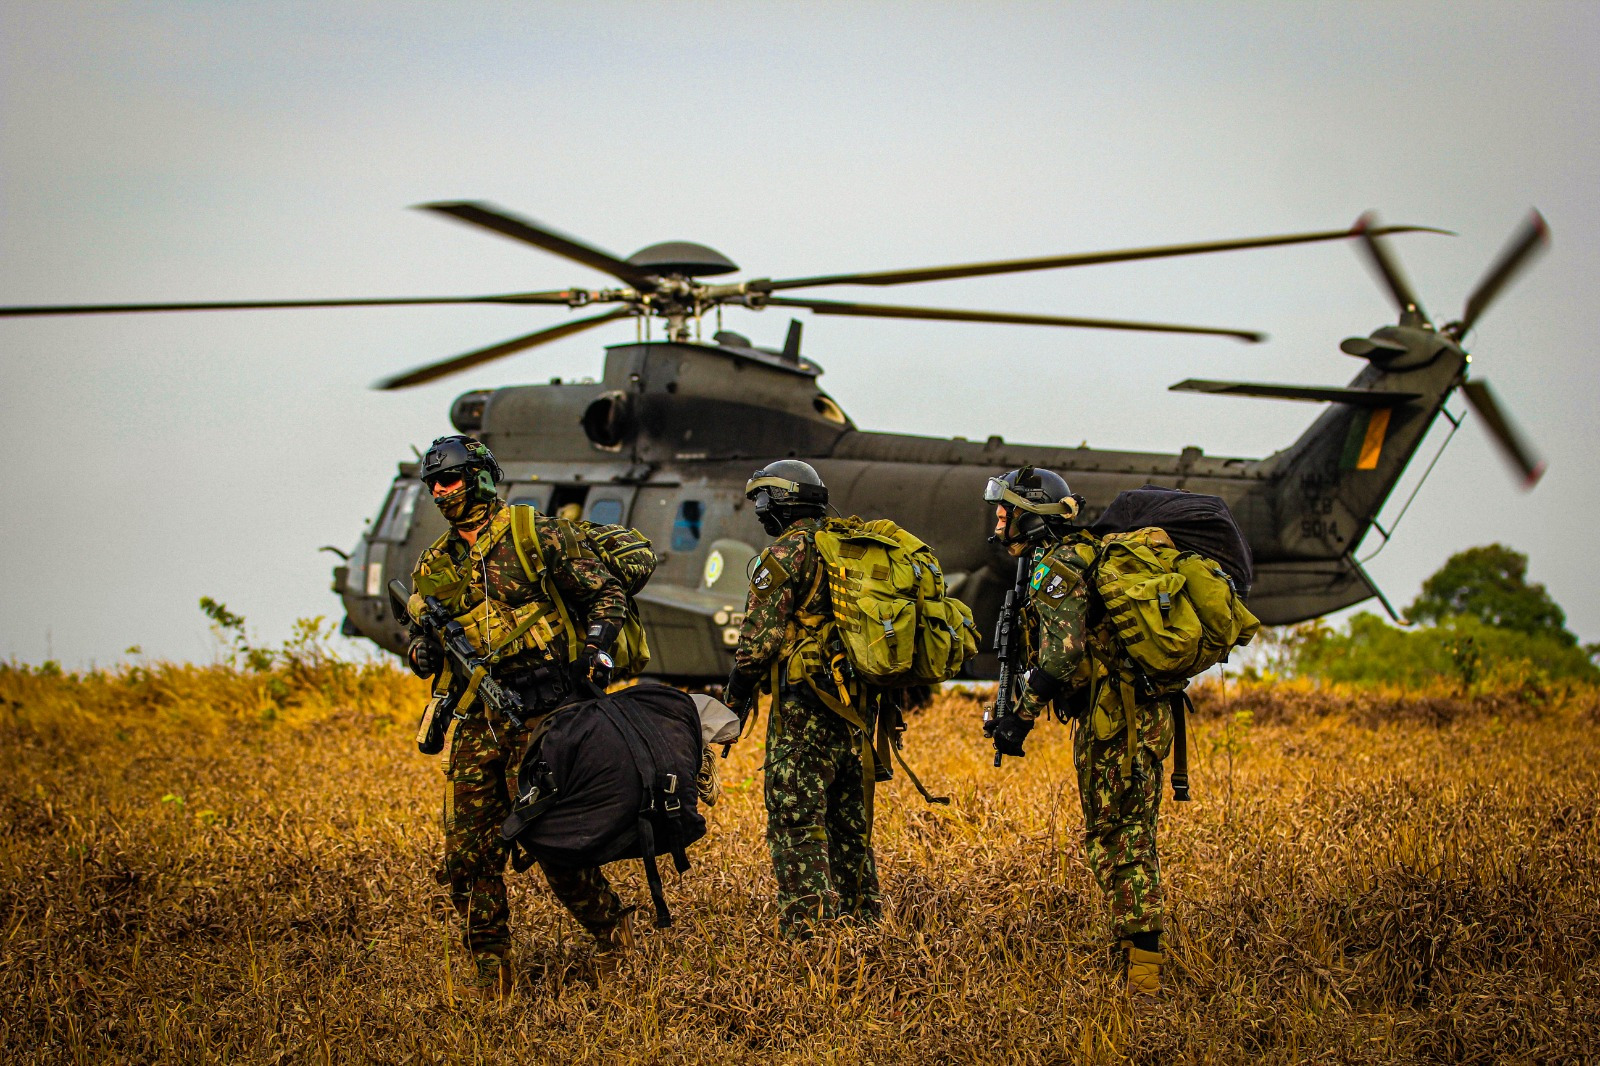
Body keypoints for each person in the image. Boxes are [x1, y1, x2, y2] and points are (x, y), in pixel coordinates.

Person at [405, 434, 635, 1000]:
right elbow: (415, 644)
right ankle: (492, 967)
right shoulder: (433, 566)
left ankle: (612, 931)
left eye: (451, 478)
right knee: (467, 851)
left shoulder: (535, 534)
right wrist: (424, 653)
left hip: (548, 710)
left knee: (554, 840)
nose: (441, 490)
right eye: (433, 482)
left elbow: (606, 593)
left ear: (480, 477)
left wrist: (599, 650)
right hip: (479, 718)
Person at [983, 466, 1172, 996]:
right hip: (1133, 716)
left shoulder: (1060, 567)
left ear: (1032, 517)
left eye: (1008, 510)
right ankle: (1134, 949)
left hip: (1117, 721)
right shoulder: (1075, 557)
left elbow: (1062, 657)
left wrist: (1018, 718)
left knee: (1118, 836)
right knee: (1129, 832)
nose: (999, 518)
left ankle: (1144, 972)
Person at [722, 460, 880, 938]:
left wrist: (733, 699)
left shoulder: (784, 555)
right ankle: (864, 923)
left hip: (804, 707)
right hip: (856, 705)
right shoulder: (847, 548)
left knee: (796, 819)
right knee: (850, 818)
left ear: (780, 504)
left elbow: (757, 644)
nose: (759, 512)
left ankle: (810, 934)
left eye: (762, 502)